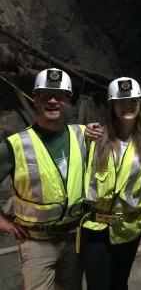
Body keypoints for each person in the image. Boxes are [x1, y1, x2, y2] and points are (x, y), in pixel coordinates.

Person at [0, 68, 86, 290]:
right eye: (45, 95)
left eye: (59, 95)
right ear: (35, 99)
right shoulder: (16, 145)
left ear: (68, 101)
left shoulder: (82, 135)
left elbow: (120, 133)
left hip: (72, 239)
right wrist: (3, 222)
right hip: (36, 242)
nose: (53, 101)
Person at [80, 77, 141, 290]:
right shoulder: (95, 137)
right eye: (121, 102)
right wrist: (84, 132)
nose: (127, 106)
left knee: (120, 283)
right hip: (95, 226)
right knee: (98, 285)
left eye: (132, 101)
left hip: (129, 228)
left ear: (140, 104)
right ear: (112, 105)